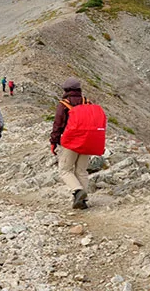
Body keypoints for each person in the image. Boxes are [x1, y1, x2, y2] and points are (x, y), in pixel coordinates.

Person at [50, 77, 101, 209]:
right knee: (81, 170)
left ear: (66, 89)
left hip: (71, 141)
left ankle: (78, 191)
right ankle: (82, 202)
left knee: (65, 170)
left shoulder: (64, 104)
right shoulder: (87, 102)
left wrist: (54, 141)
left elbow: (58, 124)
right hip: (88, 140)